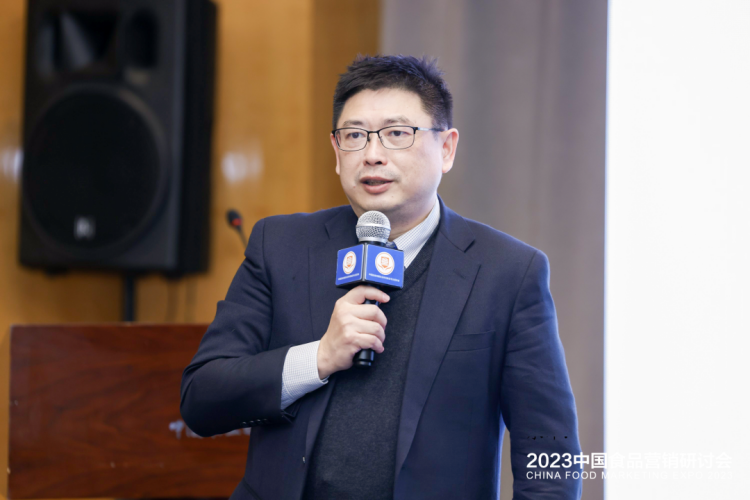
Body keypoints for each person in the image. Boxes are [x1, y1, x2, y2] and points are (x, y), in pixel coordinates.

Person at [180, 55, 582, 500]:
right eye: (354, 135)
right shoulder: (280, 246)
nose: (372, 154)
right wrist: (319, 358)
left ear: (446, 149)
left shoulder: (507, 271)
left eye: (397, 133)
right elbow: (202, 400)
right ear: (336, 152)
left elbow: (550, 454)